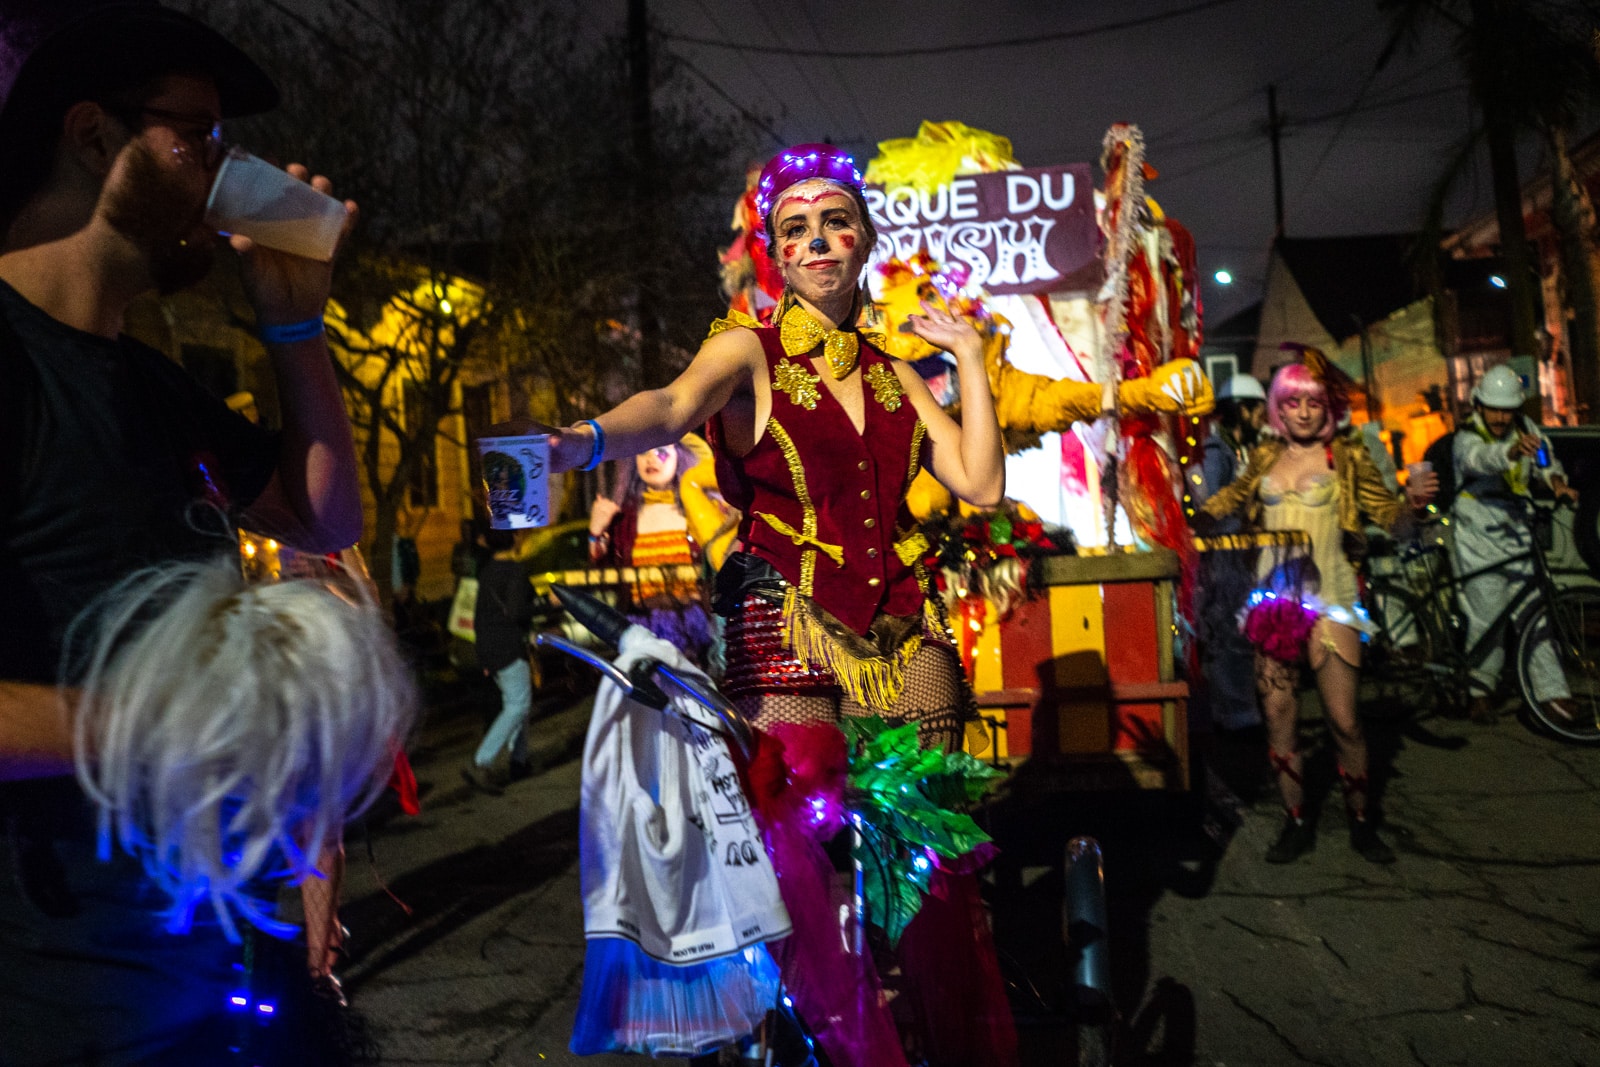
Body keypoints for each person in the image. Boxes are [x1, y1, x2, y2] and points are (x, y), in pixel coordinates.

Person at [0, 2, 379, 1062]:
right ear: (92, 138)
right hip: (58, 994)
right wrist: (171, 724)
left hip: (204, 971)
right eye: (198, 136)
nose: (225, 175)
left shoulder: (151, 384)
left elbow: (323, 513)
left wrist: (295, 322)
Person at [541, 144, 1004, 750]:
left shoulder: (899, 377)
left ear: (864, 242)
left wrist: (970, 356)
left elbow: (982, 485)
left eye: (836, 223)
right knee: (799, 826)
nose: (816, 241)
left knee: (918, 826)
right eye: (795, 229)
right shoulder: (748, 351)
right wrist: (583, 441)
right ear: (777, 259)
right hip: (783, 625)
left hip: (904, 626)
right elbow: (671, 407)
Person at [1202, 355, 1437, 865]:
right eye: (1293, 402)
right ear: (1278, 408)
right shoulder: (1262, 458)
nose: (1304, 412)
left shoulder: (1346, 458)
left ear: (1326, 407)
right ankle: (1296, 821)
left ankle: (1361, 821)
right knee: (1280, 717)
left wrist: (1414, 507)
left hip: (1332, 601)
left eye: (1313, 402)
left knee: (1344, 720)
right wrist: (1186, 507)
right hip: (1272, 604)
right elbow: (1224, 504)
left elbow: (1390, 518)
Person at [1451, 365, 1580, 725]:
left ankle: (1553, 694)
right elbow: (1478, 459)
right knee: (1486, 616)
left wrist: (1557, 484)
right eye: (1493, 407)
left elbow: (1545, 461)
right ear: (1478, 404)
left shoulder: (1528, 431)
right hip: (1478, 534)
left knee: (1535, 616)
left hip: (1518, 531)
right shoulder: (1467, 436)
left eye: (1506, 408)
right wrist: (1510, 453)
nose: (1500, 415)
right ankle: (1480, 690)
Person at [587, 439, 729, 665]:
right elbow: (606, 582)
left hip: (697, 636)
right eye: (642, 451)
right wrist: (596, 532)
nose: (651, 458)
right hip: (643, 634)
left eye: (661, 451)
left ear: (680, 456)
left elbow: (724, 562)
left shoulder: (701, 507)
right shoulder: (624, 518)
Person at [1192, 373, 1267, 731]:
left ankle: (1238, 706)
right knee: (1228, 631)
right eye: (1257, 411)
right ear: (1241, 409)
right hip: (1222, 558)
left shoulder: (1236, 449)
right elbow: (1208, 505)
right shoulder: (1215, 451)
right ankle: (1233, 713)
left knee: (1239, 630)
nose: (1262, 419)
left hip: (1236, 556)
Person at [463, 527, 534, 794]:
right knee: (519, 704)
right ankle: (482, 761)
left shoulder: (488, 570)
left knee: (516, 703)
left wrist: (482, 654)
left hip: (490, 648)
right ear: (513, 538)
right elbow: (517, 611)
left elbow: (481, 615)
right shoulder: (515, 570)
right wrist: (545, 604)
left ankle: (519, 760)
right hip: (508, 647)